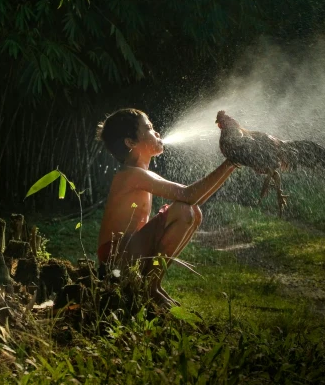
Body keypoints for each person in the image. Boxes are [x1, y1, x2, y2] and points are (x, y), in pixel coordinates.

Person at [95, 108, 238, 307]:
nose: (157, 133)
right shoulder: (132, 175)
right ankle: (149, 287)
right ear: (131, 143)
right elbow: (190, 195)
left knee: (193, 211)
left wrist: (232, 163)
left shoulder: (139, 173)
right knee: (184, 211)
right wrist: (231, 162)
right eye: (149, 128)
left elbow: (194, 199)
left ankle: (152, 284)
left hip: (128, 254)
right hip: (116, 261)